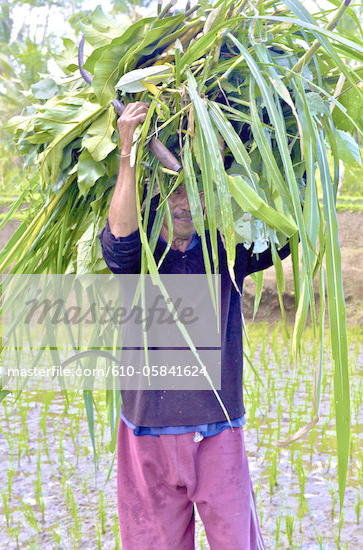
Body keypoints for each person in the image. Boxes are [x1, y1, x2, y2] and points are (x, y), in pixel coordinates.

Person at [99, 102, 291, 550]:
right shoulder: (137, 254)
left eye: (198, 190)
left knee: (236, 542)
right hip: (148, 432)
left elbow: (289, 232)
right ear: (154, 197)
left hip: (218, 430)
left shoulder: (226, 252)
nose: (187, 203)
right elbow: (121, 237)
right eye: (176, 191)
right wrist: (129, 150)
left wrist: (285, 145)